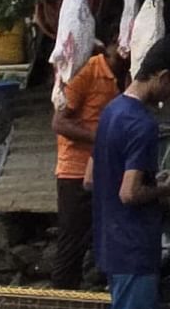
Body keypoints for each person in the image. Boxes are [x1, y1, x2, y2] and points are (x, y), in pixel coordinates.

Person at [83, 34, 170, 309]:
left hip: (115, 242)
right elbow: (131, 191)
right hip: (135, 247)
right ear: (162, 77)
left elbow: (88, 179)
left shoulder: (113, 111)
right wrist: (167, 187)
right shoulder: (142, 125)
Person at [52, 33, 124, 288]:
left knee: (102, 241)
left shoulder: (126, 76)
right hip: (75, 171)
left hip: (106, 171)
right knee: (71, 244)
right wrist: (101, 138)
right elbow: (59, 122)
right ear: (115, 42)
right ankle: (61, 308)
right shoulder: (88, 70)